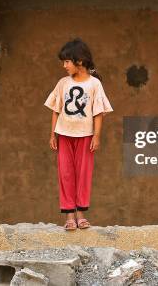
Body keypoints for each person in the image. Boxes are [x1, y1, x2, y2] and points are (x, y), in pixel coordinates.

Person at [44, 38, 113, 230]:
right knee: (65, 174)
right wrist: (52, 135)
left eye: (67, 61)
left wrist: (96, 136)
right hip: (64, 134)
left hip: (85, 136)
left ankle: (80, 214)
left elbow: (98, 112)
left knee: (83, 174)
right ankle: (69, 216)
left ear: (80, 61)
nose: (64, 66)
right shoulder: (62, 83)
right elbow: (55, 110)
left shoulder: (94, 85)